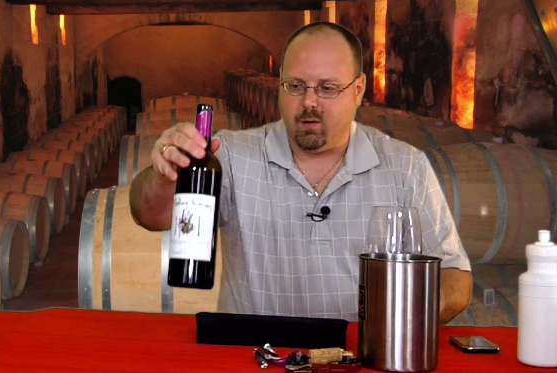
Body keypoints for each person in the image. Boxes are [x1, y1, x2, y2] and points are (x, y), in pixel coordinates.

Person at [128, 21, 472, 324]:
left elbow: (454, 273)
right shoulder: (231, 155)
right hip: (255, 357)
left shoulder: (405, 166)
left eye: (327, 88)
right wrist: (164, 176)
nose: (309, 102)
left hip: (359, 358)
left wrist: (401, 320)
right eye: (295, 86)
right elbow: (150, 215)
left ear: (358, 90)